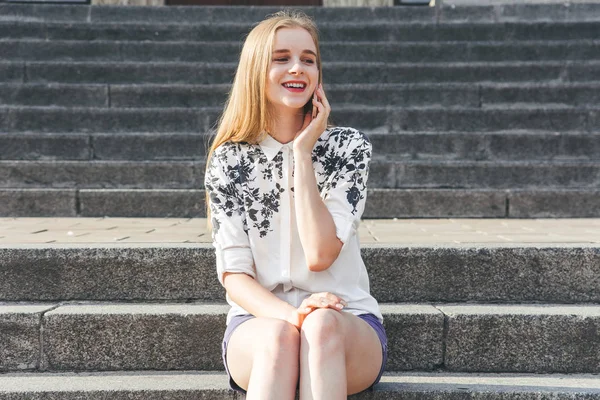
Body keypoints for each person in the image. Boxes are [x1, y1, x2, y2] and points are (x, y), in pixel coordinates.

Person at [204, 9, 387, 400]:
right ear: (256, 69)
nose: (297, 69)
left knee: (320, 327)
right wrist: (291, 316)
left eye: (308, 59)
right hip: (258, 327)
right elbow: (234, 275)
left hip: (347, 325)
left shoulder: (347, 148)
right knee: (279, 337)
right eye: (281, 58)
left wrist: (302, 155)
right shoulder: (229, 160)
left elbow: (321, 254)